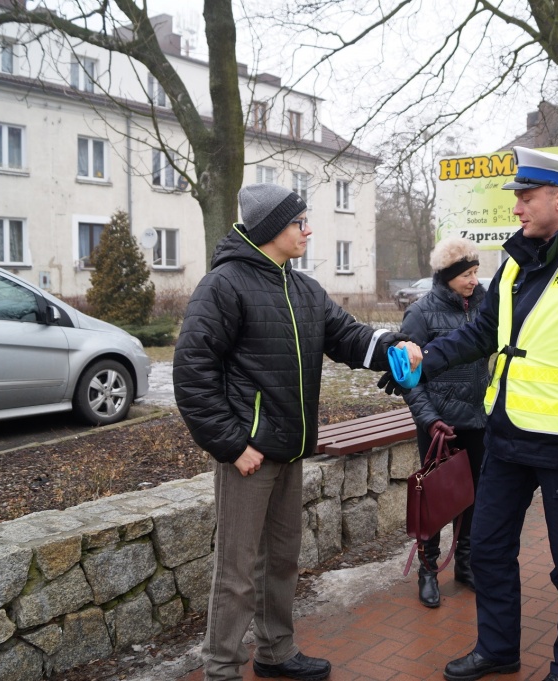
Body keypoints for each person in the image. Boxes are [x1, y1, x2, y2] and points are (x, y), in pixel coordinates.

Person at [402, 147, 558, 681]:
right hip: (507, 440)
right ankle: (498, 649)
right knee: (487, 550)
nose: (516, 209)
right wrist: (423, 362)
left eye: (526, 197)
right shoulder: (515, 261)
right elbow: (481, 333)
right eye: (516, 198)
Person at [173, 183, 420, 681]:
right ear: (270, 230)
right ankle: (221, 667)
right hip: (248, 454)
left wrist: (396, 345)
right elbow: (192, 373)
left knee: (282, 560)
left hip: (289, 448)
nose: (308, 229)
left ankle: (275, 652)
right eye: (298, 222)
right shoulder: (224, 286)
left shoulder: (302, 288)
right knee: (237, 571)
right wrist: (231, 444)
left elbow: (346, 336)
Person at [401, 237, 490, 608]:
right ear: (447, 275)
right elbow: (406, 375)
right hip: (439, 425)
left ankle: (466, 564)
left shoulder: (487, 307)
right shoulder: (421, 313)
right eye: (465, 274)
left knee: (473, 498)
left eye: (475, 272)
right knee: (435, 500)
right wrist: (429, 419)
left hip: (479, 421)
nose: (473, 280)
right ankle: (428, 569)